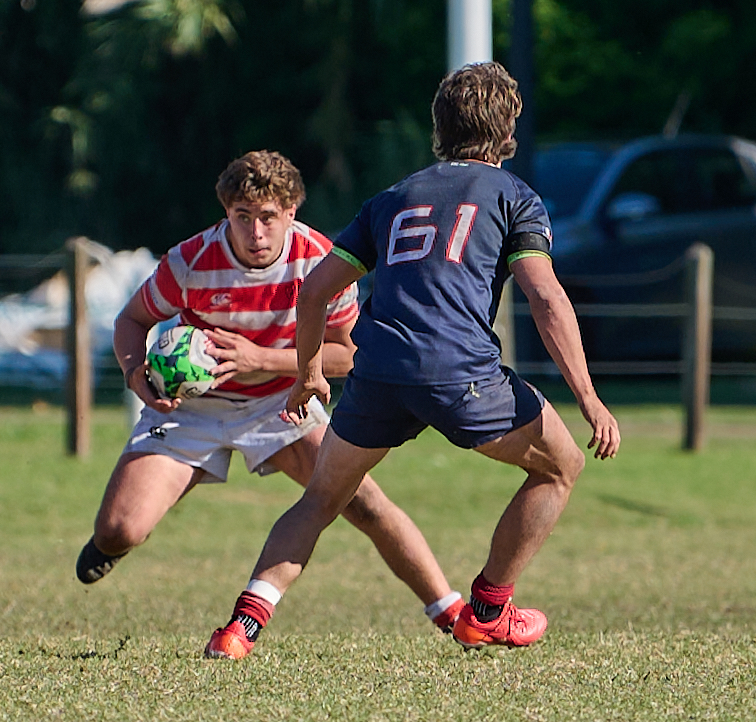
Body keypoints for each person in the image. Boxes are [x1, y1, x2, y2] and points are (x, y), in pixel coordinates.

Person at [206, 63, 621, 659]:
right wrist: (588, 398)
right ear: (508, 134)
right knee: (561, 467)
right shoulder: (515, 198)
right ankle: (487, 610)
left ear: (438, 129)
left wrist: (308, 374)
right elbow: (546, 295)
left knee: (319, 500)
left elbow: (314, 292)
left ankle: (237, 632)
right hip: (460, 373)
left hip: (377, 372)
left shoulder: (392, 199)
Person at [76, 150, 465, 642]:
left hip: (282, 403)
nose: (255, 234)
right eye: (243, 218)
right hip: (193, 408)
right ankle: (124, 529)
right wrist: (136, 373)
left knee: (364, 502)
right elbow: (131, 321)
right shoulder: (190, 261)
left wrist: (261, 360)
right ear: (226, 215)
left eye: (267, 219)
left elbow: (349, 355)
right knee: (119, 531)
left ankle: (449, 610)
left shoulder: (323, 263)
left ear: (291, 213)